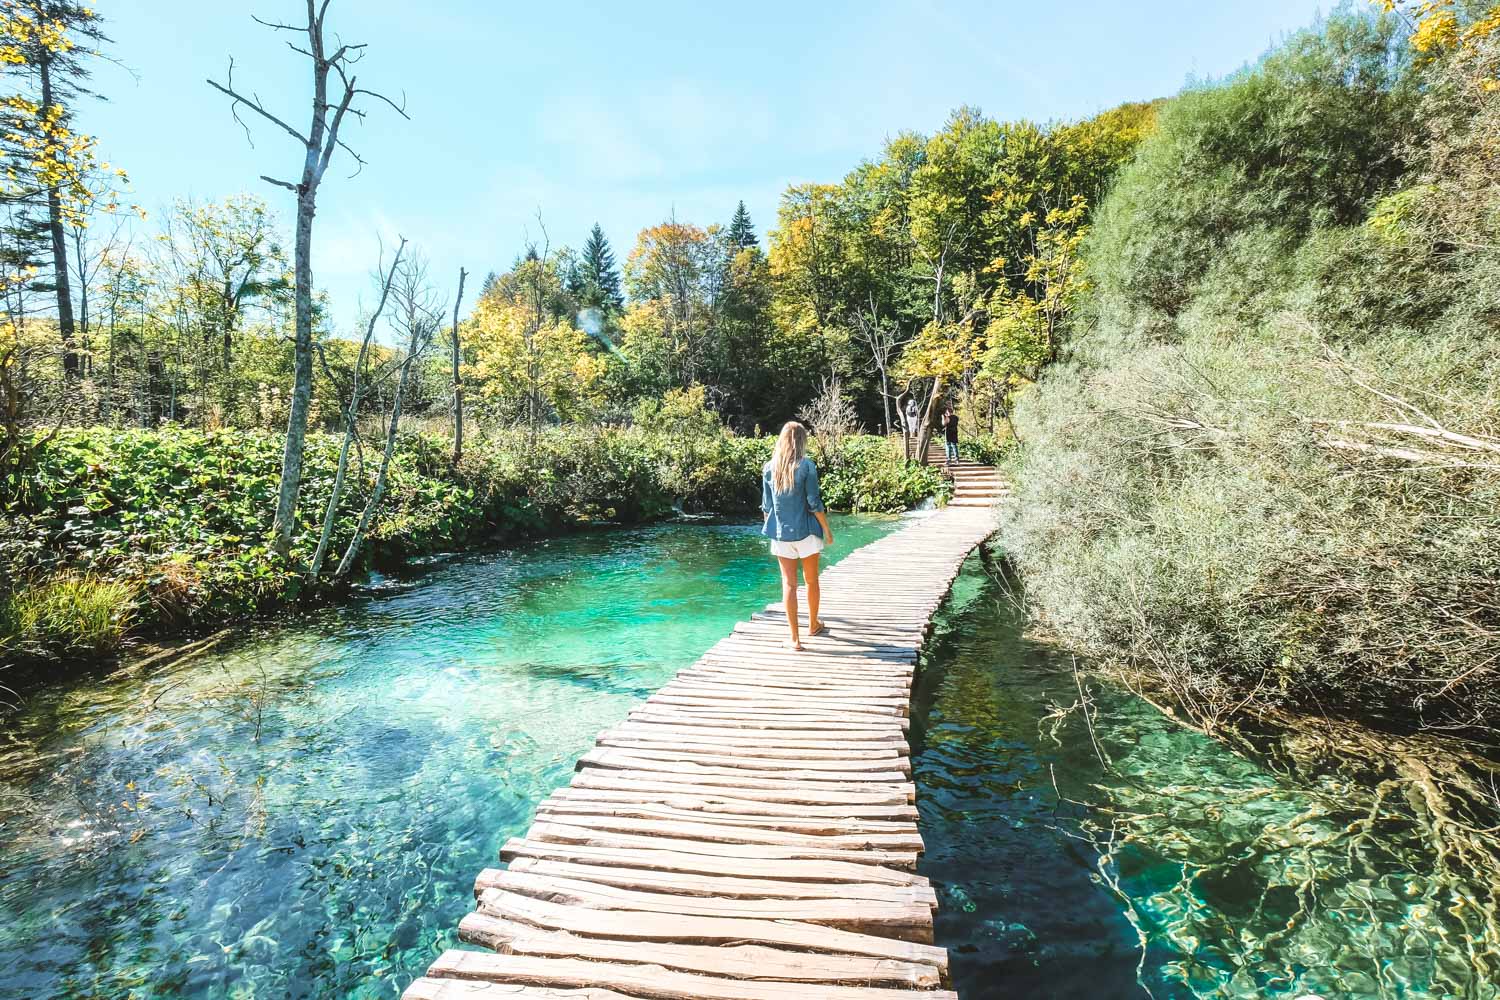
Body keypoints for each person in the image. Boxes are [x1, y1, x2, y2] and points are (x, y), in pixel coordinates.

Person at [761, 421, 834, 650]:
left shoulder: (770, 468)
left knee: (789, 585)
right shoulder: (807, 466)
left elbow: (766, 507)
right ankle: (813, 625)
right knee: (811, 581)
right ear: (802, 441)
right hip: (808, 533)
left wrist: (773, 533)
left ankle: (794, 639)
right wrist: (827, 530)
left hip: (781, 534)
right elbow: (813, 503)